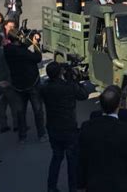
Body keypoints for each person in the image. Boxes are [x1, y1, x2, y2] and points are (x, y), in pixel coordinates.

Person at [78, 86, 127, 192]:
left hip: (95, 185)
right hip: (121, 186)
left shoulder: (86, 127)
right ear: (118, 106)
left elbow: (81, 159)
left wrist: (80, 185)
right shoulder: (126, 131)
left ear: (100, 105)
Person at [41, 62, 89, 192]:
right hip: (68, 128)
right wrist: (73, 79)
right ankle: (72, 187)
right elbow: (84, 95)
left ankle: (51, 187)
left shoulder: (45, 87)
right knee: (72, 161)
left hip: (52, 127)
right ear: (60, 73)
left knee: (56, 158)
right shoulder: (68, 87)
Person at [4, 29, 46, 143]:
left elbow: (22, 45)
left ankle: (22, 136)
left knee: (20, 112)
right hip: (31, 83)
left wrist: (30, 39)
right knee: (37, 110)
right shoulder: (22, 52)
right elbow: (37, 58)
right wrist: (36, 44)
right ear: (18, 38)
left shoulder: (8, 49)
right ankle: (41, 134)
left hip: (17, 84)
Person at [0, 34, 17, 133]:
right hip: (5, 80)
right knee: (13, 103)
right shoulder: (3, 53)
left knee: (1, 104)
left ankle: (3, 125)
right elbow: (7, 67)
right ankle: (16, 124)